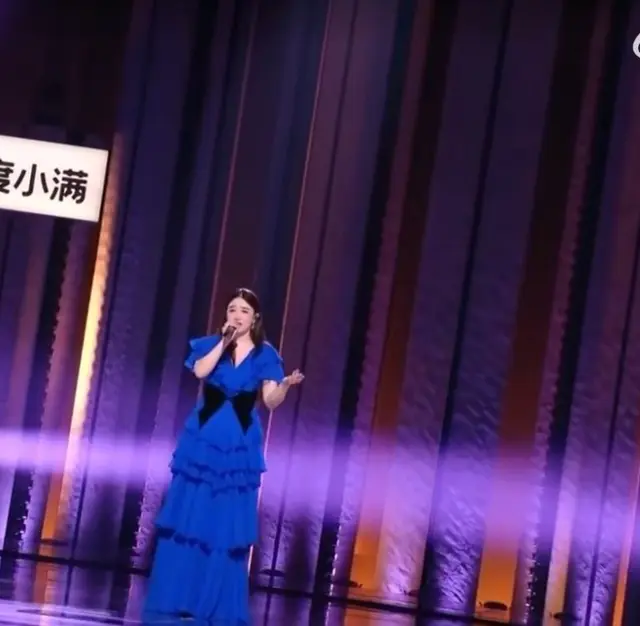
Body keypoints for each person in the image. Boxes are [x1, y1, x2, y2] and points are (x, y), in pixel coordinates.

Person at [144, 287, 304, 624]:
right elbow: (201, 372)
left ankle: (214, 600)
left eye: (244, 310)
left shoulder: (266, 354)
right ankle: (179, 595)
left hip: (238, 442)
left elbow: (270, 401)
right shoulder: (212, 344)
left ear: (255, 318)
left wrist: (285, 385)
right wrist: (223, 340)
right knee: (192, 514)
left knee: (224, 521)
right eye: (232, 309)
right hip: (204, 437)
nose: (237, 315)